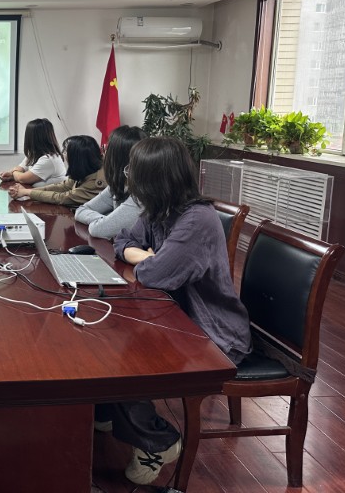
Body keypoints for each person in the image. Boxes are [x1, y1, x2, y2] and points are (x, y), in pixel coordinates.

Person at [99, 136, 252, 486]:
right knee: (108, 339)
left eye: (133, 170)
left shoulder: (197, 219)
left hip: (213, 333)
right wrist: (147, 255)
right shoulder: (160, 209)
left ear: (155, 178)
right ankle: (111, 408)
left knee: (120, 355)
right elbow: (123, 240)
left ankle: (159, 442)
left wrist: (149, 261)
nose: (127, 176)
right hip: (179, 318)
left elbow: (155, 275)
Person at [74, 125, 147, 239]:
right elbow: (81, 210)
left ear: (116, 157)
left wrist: (106, 222)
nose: (103, 153)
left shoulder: (142, 195)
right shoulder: (118, 185)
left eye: (106, 148)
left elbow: (98, 230)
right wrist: (106, 220)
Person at [8, 135, 105, 208]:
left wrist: (27, 192)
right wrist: (28, 192)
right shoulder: (85, 171)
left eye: (65, 151)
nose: (63, 153)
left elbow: (62, 198)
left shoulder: (96, 182)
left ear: (76, 158)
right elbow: (62, 186)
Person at [0, 118, 65, 187]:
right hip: (35, 192)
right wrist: (11, 174)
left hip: (47, 194)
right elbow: (21, 167)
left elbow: (22, 179)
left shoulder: (49, 159)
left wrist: (13, 173)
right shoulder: (34, 154)